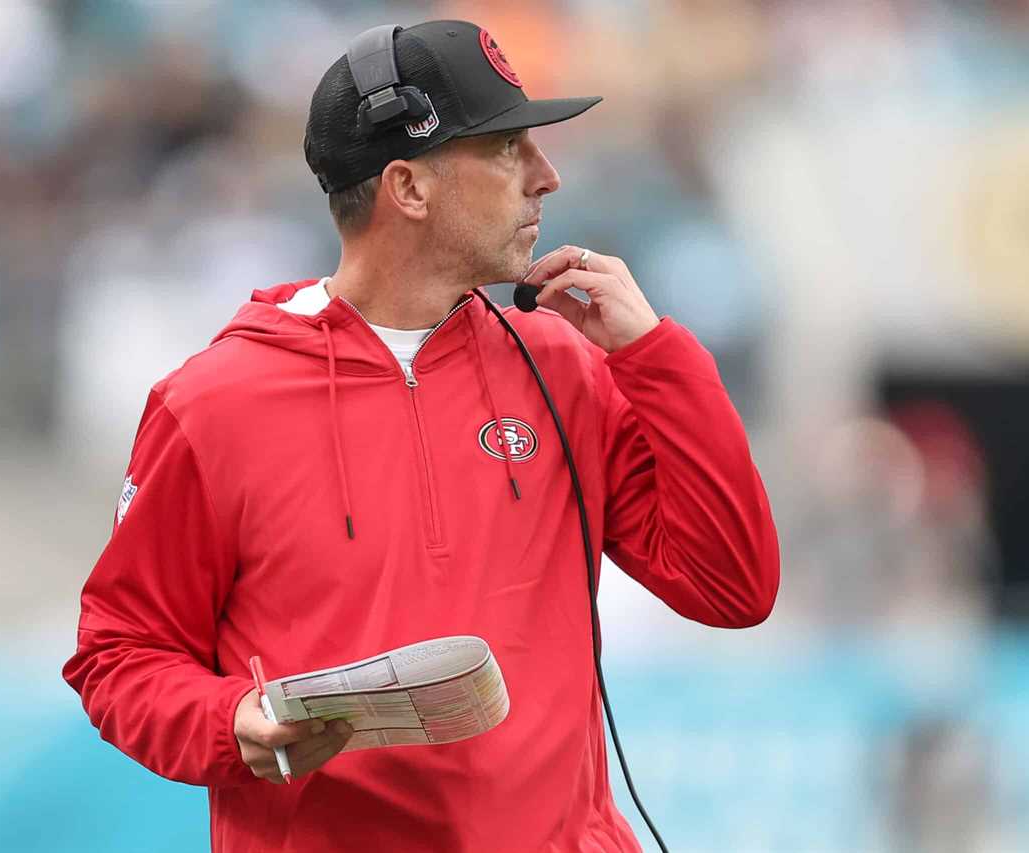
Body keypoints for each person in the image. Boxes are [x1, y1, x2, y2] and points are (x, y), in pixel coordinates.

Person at [63, 19, 779, 853]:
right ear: (407, 188)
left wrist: (656, 356)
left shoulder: (565, 362)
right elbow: (120, 655)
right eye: (509, 148)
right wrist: (231, 720)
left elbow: (732, 586)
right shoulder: (213, 404)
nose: (546, 178)